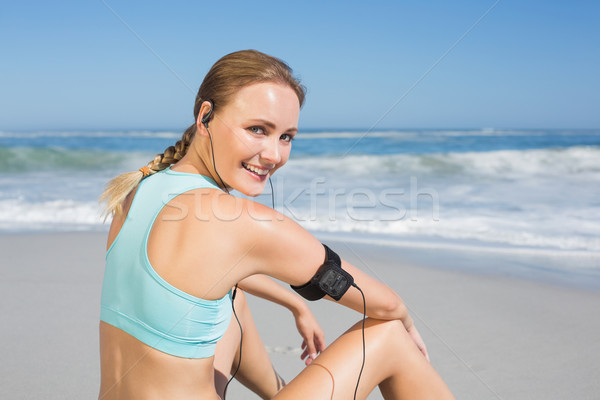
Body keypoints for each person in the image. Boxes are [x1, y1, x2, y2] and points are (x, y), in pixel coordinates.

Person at [98, 49, 455, 400]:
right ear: (205, 117)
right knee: (389, 336)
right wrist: (407, 322)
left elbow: (203, 275)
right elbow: (386, 305)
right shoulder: (241, 221)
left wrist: (295, 304)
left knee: (232, 299)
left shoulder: (137, 189)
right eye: (257, 129)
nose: (273, 154)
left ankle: (280, 392)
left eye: (286, 137)